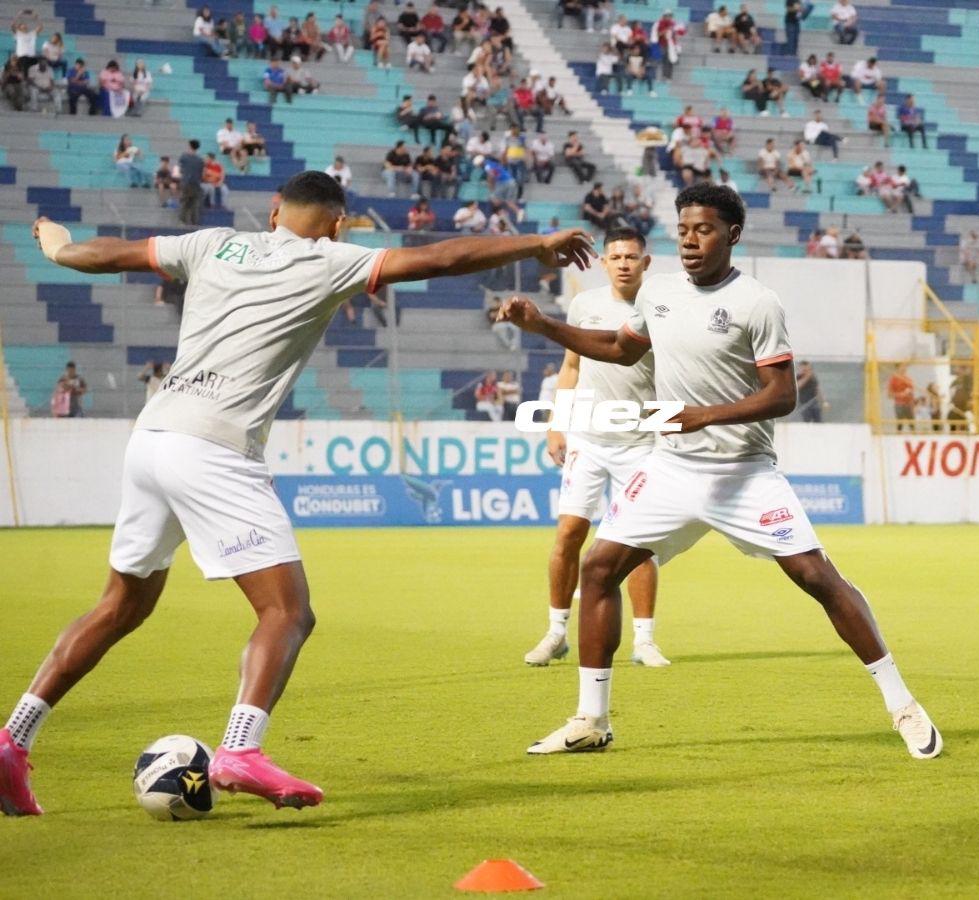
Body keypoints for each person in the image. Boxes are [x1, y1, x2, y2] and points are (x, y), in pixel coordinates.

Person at [3, 174, 596, 818]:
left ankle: (12, 742)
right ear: (338, 225)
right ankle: (239, 749)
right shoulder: (330, 260)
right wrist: (535, 241)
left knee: (120, 606)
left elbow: (107, 254)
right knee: (288, 611)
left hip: (151, 439)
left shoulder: (211, 244)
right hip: (214, 449)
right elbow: (442, 256)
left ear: (274, 211)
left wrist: (60, 247)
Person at [497, 184, 942, 760]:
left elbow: (781, 395)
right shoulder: (657, 294)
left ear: (732, 235)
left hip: (742, 472)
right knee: (599, 569)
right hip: (670, 468)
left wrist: (705, 415)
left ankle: (902, 705)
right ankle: (592, 719)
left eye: (702, 229)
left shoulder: (758, 302)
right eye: (682, 229)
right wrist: (543, 326)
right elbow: (619, 348)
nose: (689, 239)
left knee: (816, 578)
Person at [524, 228, 669, 668]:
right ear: (603, 263)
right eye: (615, 256)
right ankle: (556, 633)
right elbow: (571, 365)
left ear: (647, 263)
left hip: (643, 442)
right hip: (588, 437)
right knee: (569, 533)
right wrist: (556, 425)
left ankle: (644, 641)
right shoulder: (584, 305)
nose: (623, 263)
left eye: (631, 256)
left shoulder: (664, 308)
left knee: (640, 541)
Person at [177, 139, 204, 227]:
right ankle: (194, 223)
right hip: (196, 184)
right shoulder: (200, 160)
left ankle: (182, 221)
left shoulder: (184, 157)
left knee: (184, 203)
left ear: (189, 146)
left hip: (186, 183)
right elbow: (201, 173)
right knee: (194, 204)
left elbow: (181, 169)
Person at [887, 363, 916, 430]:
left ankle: (914, 436)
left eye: (905, 366)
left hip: (909, 404)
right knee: (899, 424)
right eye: (902, 367)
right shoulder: (893, 379)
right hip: (899, 404)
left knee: (912, 424)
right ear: (897, 368)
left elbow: (912, 392)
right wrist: (900, 394)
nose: (904, 368)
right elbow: (889, 395)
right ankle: (898, 437)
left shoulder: (908, 379)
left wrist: (910, 394)